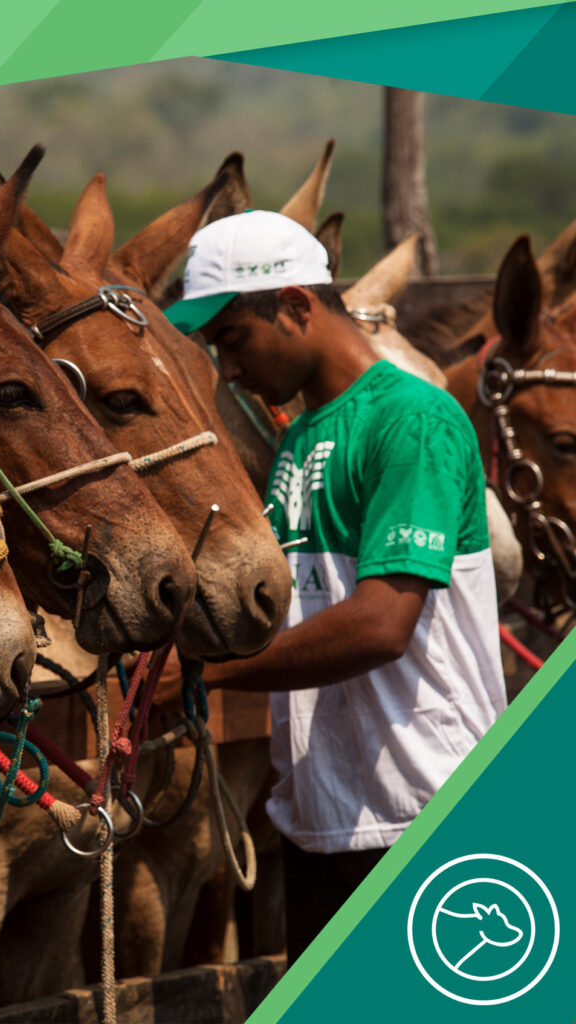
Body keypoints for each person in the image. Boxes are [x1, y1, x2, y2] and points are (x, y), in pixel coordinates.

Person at [164, 209, 507, 963]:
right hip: (324, 817)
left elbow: (381, 625)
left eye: (232, 338)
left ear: (294, 305)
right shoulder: (301, 437)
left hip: (427, 812)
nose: (227, 368)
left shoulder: (413, 421)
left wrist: (206, 672)